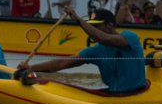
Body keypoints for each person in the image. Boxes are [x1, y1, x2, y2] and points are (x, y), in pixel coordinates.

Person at [19, 5, 147, 95]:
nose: (92, 30)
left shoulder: (130, 38)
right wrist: (30, 68)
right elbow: (62, 63)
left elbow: (104, 39)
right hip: (114, 96)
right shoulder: (96, 51)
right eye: (92, 26)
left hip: (136, 95)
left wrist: (78, 19)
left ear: (110, 25)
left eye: (96, 26)